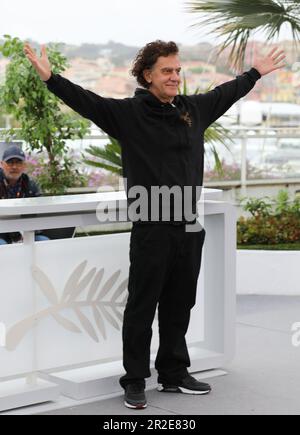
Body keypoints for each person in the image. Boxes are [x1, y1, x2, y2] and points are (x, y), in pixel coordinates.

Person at [24, 40, 286, 409]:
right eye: (167, 70)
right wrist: (51, 78)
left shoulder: (193, 109)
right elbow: (89, 103)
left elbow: (227, 92)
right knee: (142, 308)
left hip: (189, 227)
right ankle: (134, 380)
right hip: (151, 228)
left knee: (180, 305)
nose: (175, 77)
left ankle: (174, 374)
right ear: (148, 75)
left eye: (178, 70)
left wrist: (256, 72)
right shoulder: (129, 114)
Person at [0, 145, 49, 245]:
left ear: (24, 166)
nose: (14, 167)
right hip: (1, 233)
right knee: (3, 247)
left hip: (28, 232)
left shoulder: (31, 184)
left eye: (18, 163)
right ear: (1, 164)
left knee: (44, 242)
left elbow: (41, 209)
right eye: (10, 162)